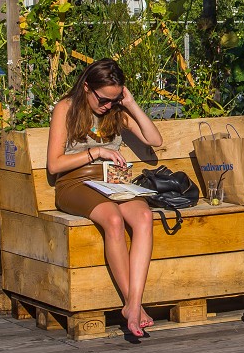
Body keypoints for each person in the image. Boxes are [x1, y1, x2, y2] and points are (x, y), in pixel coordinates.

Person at [47, 59, 164, 338]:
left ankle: (133, 304)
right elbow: (54, 165)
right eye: (102, 99)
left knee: (144, 216)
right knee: (112, 218)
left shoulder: (117, 112)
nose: (107, 106)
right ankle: (133, 304)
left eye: (114, 99)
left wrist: (131, 104)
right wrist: (96, 153)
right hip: (75, 182)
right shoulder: (66, 109)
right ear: (86, 87)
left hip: (112, 182)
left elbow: (155, 139)